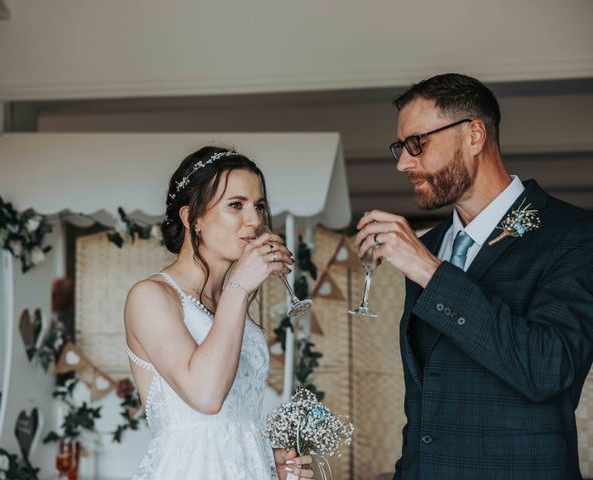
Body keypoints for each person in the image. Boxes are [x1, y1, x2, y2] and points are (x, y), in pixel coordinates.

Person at [355, 74, 593, 479]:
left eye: (417, 143)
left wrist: (431, 273)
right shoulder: (428, 245)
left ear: (474, 135)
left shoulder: (574, 235)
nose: (402, 163)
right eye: (401, 147)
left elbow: (547, 369)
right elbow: (427, 406)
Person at [124, 146, 314, 479]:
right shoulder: (151, 296)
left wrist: (267, 460)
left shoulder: (230, 300)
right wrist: (238, 288)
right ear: (191, 219)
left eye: (259, 206)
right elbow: (206, 396)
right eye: (236, 205)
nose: (255, 220)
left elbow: (226, 424)